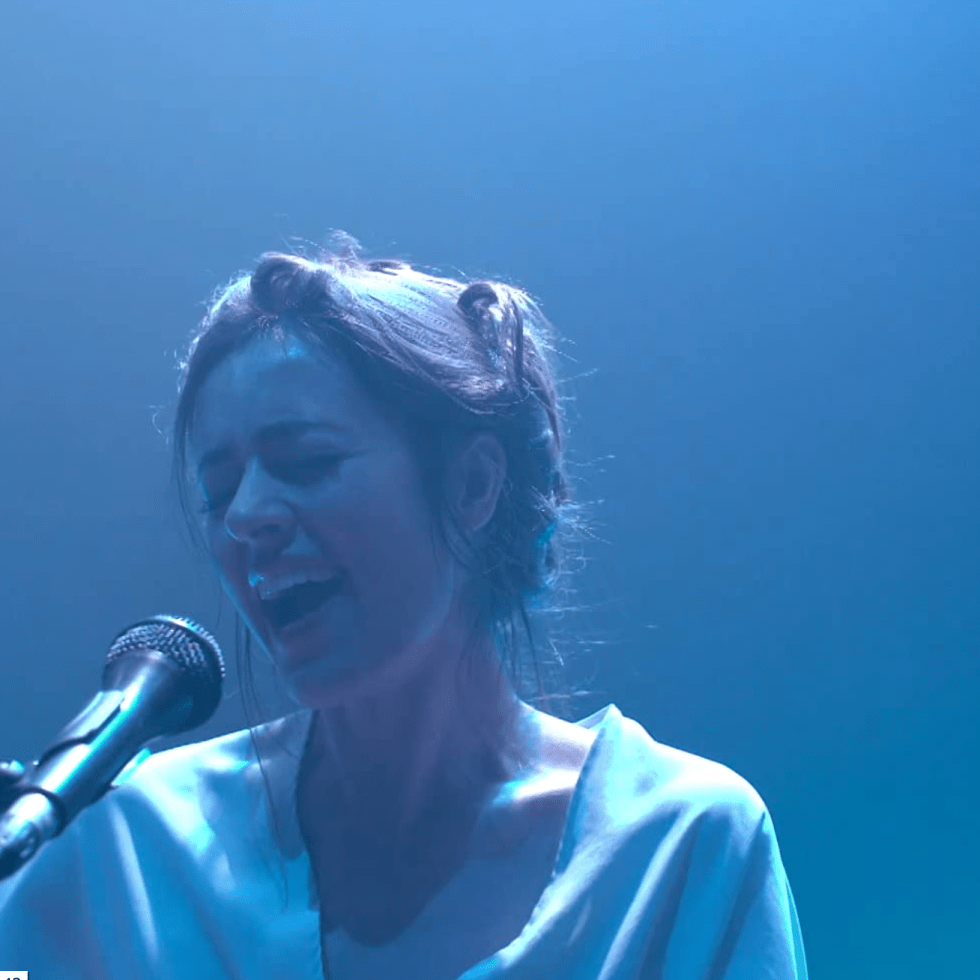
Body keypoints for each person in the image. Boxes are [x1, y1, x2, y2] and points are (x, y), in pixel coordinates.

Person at [0, 236, 808, 979]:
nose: (246, 516)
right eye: (219, 490)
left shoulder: (676, 846)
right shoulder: (126, 846)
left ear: (473, 485)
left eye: (306, 461)